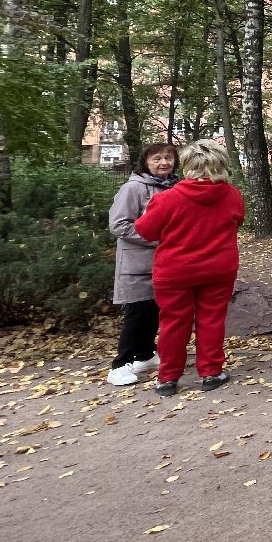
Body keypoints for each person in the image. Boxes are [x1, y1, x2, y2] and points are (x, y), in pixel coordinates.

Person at [134, 140, 246, 396]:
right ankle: (211, 372)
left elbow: (145, 230)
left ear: (187, 165)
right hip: (218, 268)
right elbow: (237, 221)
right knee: (212, 320)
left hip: (174, 271)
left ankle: (168, 378)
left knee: (174, 322)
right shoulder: (232, 195)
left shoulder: (168, 199)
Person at [106, 142, 179, 386]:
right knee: (137, 312)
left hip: (166, 262)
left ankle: (145, 354)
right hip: (138, 262)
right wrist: (157, 240)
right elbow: (119, 225)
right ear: (145, 162)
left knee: (154, 310)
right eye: (157, 158)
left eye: (168, 158)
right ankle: (120, 364)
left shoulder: (174, 187)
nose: (164, 162)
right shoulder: (133, 188)